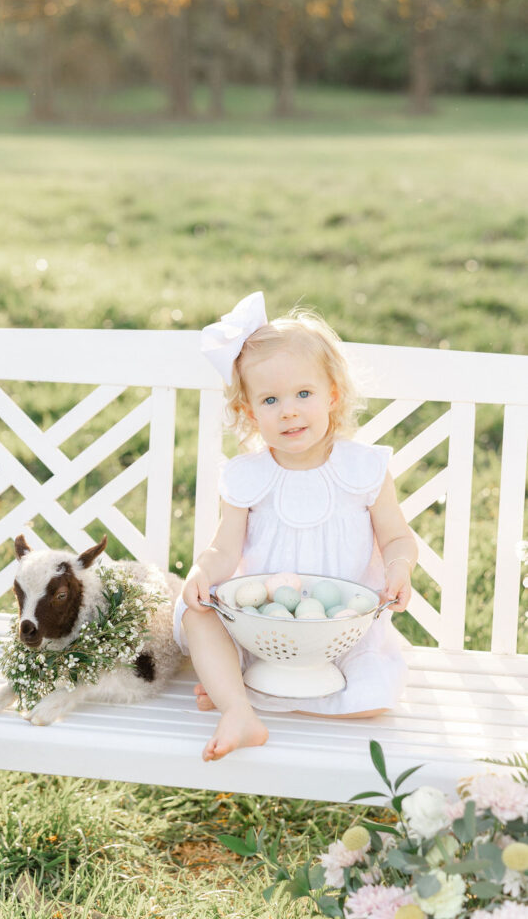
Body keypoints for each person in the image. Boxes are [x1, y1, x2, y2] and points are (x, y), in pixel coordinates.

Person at [173, 291, 417, 762]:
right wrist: (203, 572)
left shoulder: (363, 468)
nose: (289, 410)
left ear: (333, 395)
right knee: (196, 616)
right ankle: (240, 710)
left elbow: (396, 536)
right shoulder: (247, 477)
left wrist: (399, 566)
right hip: (261, 627)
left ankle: (242, 694)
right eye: (270, 399)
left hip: (341, 629)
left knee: (374, 700)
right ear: (249, 413)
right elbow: (224, 550)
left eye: (303, 394)